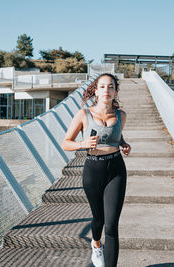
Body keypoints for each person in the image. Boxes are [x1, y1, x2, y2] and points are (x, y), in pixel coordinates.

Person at [62, 73, 131, 267]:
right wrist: (82, 144)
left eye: (110, 87)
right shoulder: (84, 114)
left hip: (116, 169)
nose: (106, 90)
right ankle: (96, 244)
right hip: (93, 170)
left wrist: (124, 144)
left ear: (116, 91)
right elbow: (65, 143)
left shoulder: (121, 115)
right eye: (102, 86)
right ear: (95, 91)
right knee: (98, 220)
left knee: (111, 226)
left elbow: (117, 137)